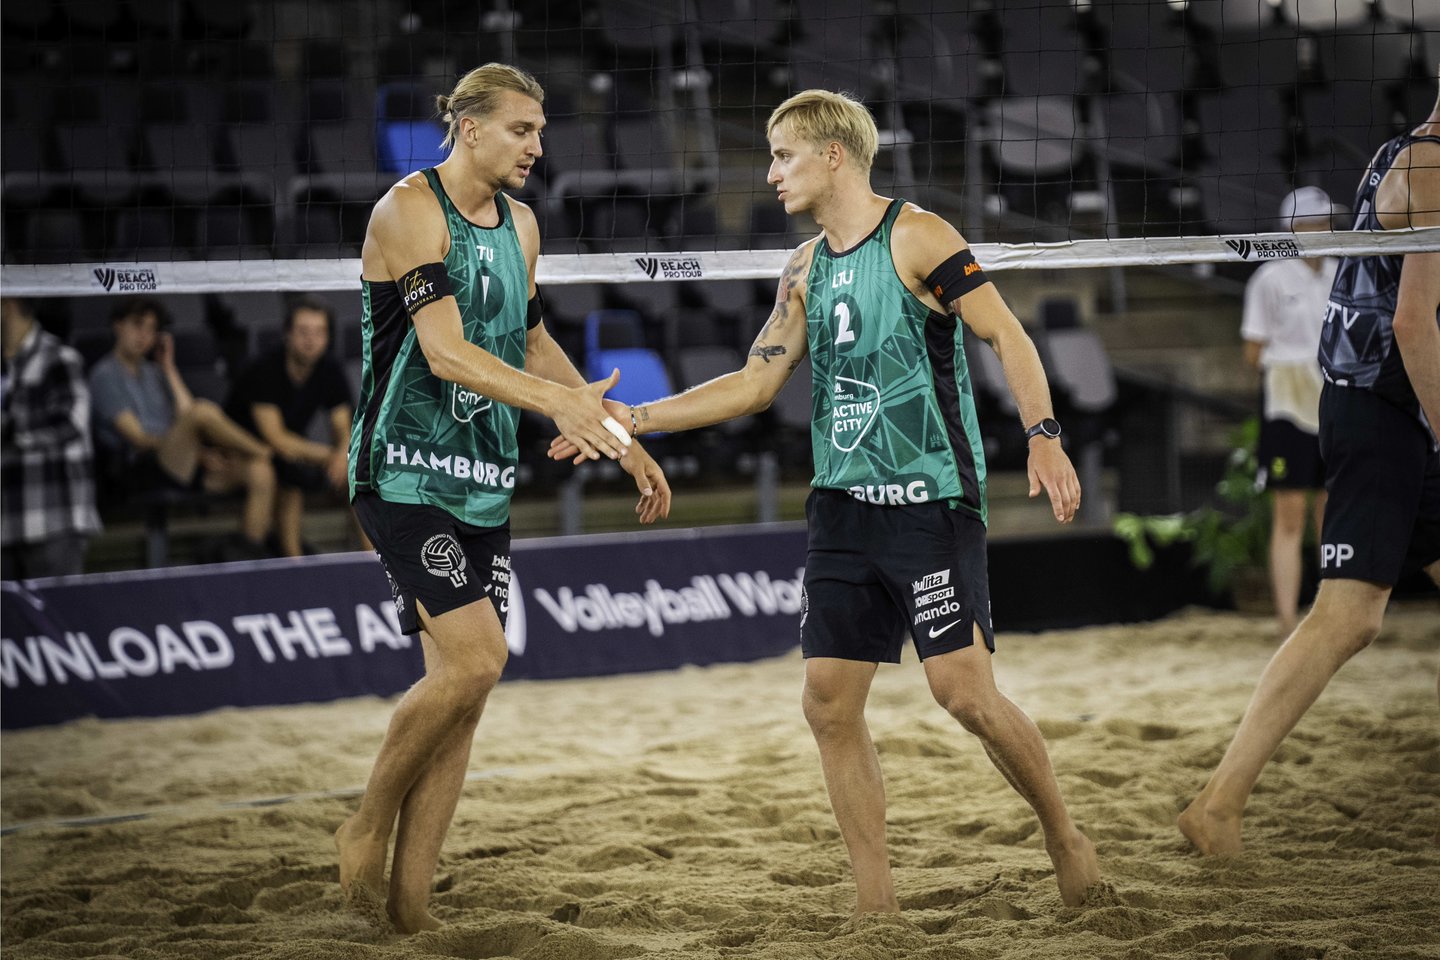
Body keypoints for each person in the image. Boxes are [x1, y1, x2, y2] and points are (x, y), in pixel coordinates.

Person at [554, 89, 1099, 910]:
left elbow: (1006, 333)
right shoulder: (804, 267)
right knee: (828, 703)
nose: (772, 173)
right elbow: (754, 383)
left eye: (785, 155)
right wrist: (635, 419)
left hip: (928, 500)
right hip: (842, 510)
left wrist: (1043, 434)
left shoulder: (918, 235)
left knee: (963, 694)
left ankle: (1062, 833)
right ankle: (877, 906)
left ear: (833, 154)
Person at [336, 62, 671, 934]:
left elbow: (529, 338)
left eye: (541, 131)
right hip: (402, 471)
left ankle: (409, 915)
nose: (537, 146)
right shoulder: (408, 209)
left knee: (462, 697)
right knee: (480, 659)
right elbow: (444, 352)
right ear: (469, 127)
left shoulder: (521, 224)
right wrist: (560, 403)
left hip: (482, 479)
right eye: (523, 130)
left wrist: (619, 436)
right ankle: (366, 822)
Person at [1180, 77, 1440, 857]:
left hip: (1387, 408)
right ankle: (1218, 804)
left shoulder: (1399, 152)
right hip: (1380, 414)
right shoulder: (1430, 164)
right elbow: (1412, 324)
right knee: (1349, 616)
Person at [88, 297, 276, 558]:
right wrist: (195, 451)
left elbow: (187, 415)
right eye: (138, 325)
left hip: (179, 463)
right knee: (205, 411)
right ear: (118, 325)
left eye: (151, 329)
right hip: (138, 467)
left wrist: (169, 369)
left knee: (260, 471)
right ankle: (269, 451)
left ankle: (248, 559)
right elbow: (139, 438)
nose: (144, 335)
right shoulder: (105, 375)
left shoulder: (155, 372)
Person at [1240, 187, 1337, 637]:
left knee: (1332, 513)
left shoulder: (1341, 270)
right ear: (1294, 228)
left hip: (1334, 398)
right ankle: (1286, 621)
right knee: (1290, 513)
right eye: (1318, 221)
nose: (1326, 228)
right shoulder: (1270, 277)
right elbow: (1253, 352)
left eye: (1328, 221)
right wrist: (1296, 370)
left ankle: (1332, 617)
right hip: (1288, 402)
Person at [225, 295, 361, 557]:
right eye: (303, 331)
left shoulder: (330, 368)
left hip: (288, 456)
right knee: (279, 474)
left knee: (357, 473)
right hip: (241, 451)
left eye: (319, 332)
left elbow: (343, 425)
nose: (311, 340)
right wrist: (331, 456)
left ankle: (373, 562)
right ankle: (269, 562)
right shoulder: (264, 368)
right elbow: (276, 438)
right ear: (287, 334)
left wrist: (344, 455)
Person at [1, 297, 103, 578]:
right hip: (6, 523)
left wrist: (12, 431)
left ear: (7, 306)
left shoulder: (59, 358)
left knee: (58, 606)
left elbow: (71, 423)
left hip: (54, 519)